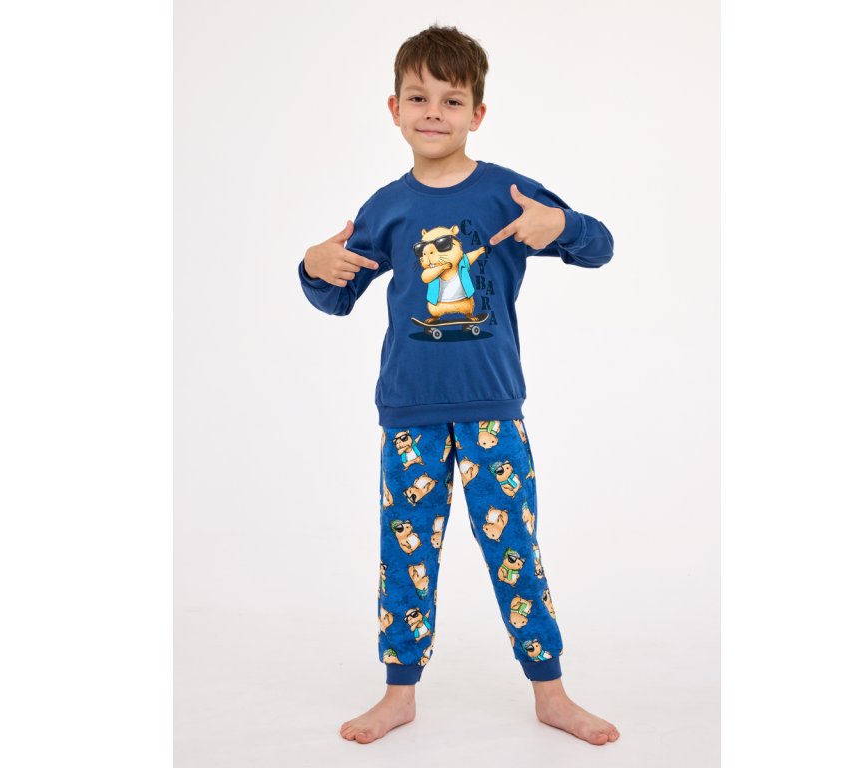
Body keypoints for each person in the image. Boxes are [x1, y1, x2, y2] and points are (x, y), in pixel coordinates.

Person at [298, 23, 620, 747]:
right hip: (408, 411)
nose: (434, 112)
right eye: (419, 97)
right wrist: (313, 264)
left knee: (516, 551)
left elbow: (599, 246)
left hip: (492, 409)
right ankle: (399, 694)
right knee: (405, 556)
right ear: (394, 109)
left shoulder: (507, 193)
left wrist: (561, 223)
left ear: (477, 113)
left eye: (451, 100)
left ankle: (551, 693)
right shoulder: (387, 207)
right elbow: (335, 295)